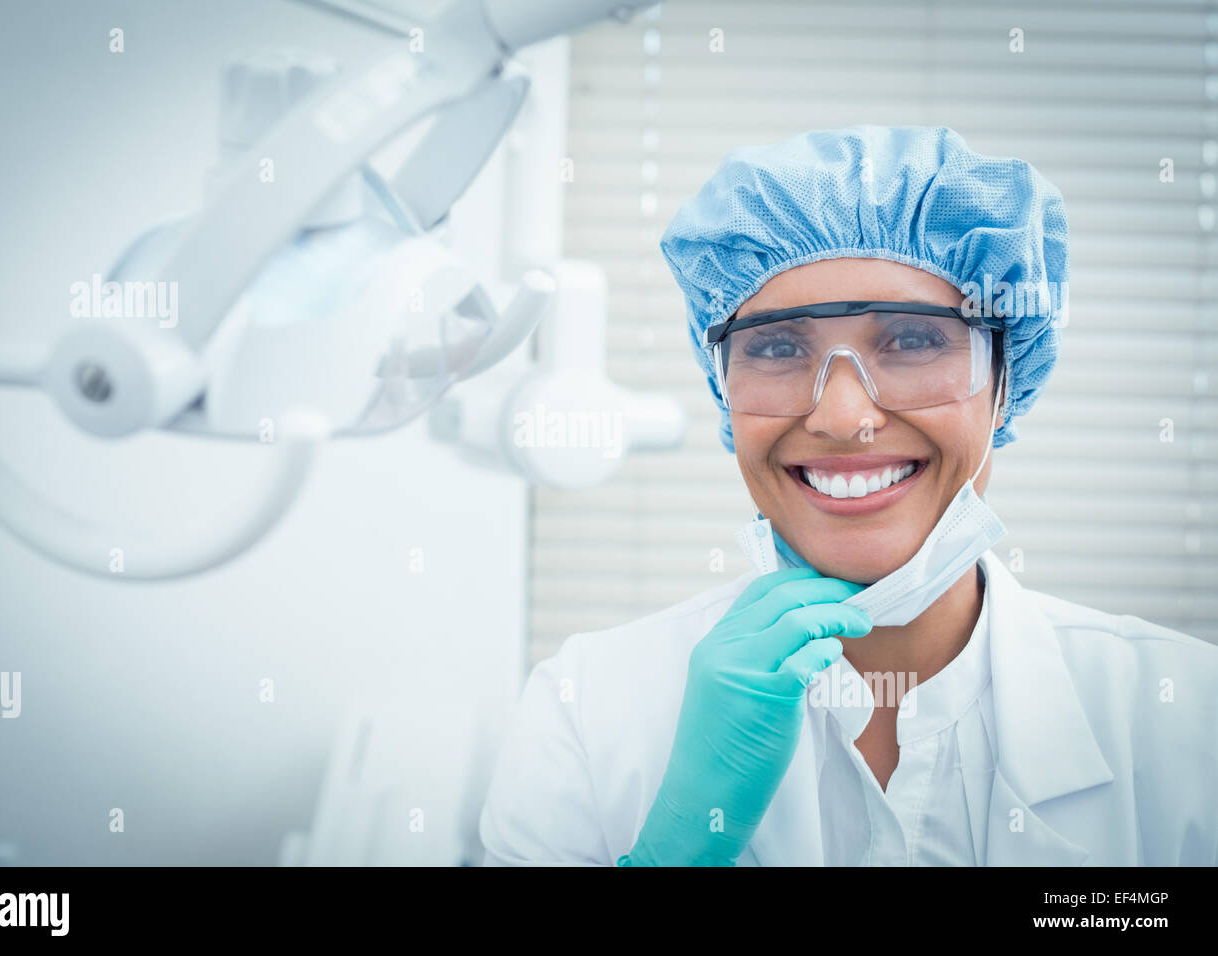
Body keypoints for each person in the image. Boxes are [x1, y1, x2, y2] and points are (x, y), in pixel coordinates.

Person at [478, 125, 1218, 866]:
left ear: (1004, 388)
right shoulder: (585, 707)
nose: (840, 417)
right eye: (774, 347)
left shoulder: (1187, 716)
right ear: (722, 393)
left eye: (912, 340)